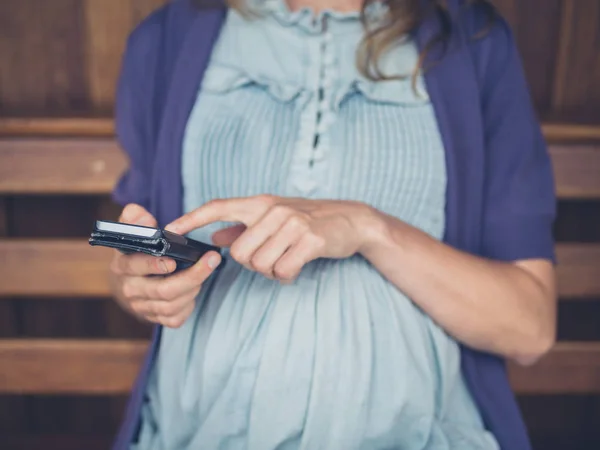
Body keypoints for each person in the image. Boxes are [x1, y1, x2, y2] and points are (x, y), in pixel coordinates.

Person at [108, 0, 557, 448]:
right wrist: (138, 280)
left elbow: (528, 329)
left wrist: (369, 228)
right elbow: (132, 258)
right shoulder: (168, 36)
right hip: (197, 430)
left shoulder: (472, 39)